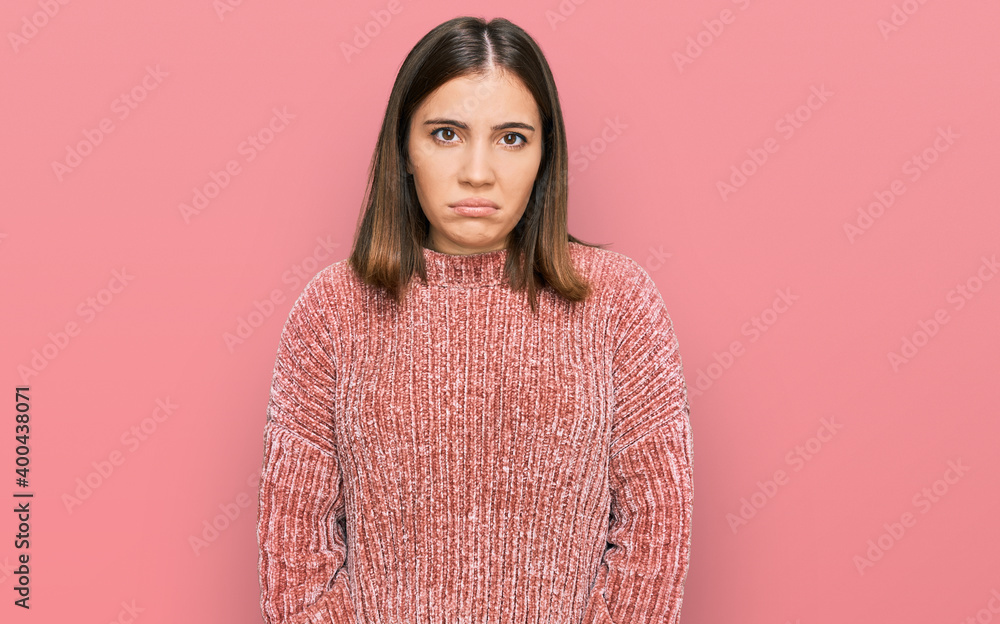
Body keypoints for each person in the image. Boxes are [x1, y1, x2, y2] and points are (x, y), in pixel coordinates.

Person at [256, 15, 694, 624]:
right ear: (404, 151)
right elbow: (294, 562)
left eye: (511, 138)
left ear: (545, 155)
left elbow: (656, 537)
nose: (478, 172)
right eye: (446, 134)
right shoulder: (332, 311)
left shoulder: (618, 303)